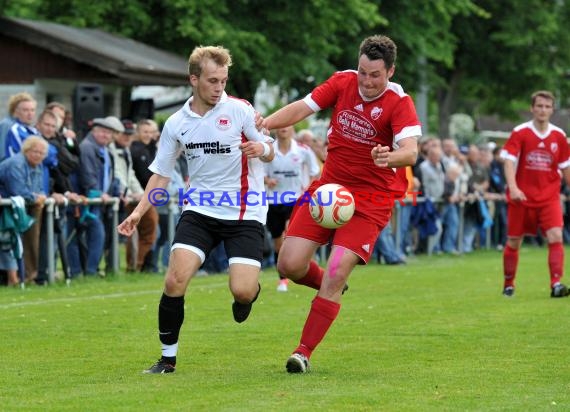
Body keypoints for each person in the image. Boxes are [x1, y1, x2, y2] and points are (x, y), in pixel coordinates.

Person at [260, 34, 421, 373]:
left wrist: (389, 156)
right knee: (288, 265)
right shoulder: (342, 82)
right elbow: (302, 108)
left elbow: (411, 151)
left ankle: (302, 352)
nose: (367, 81)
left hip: (369, 201)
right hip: (327, 191)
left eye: (375, 75)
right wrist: (263, 124)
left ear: (390, 71)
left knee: (335, 270)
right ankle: (329, 287)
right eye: (363, 71)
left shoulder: (399, 102)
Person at [117, 45, 274, 374]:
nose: (219, 88)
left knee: (242, 291)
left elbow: (269, 148)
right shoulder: (176, 123)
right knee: (174, 280)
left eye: (223, 81)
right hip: (200, 210)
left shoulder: (241, 110)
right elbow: (160, 174)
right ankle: (167, 359)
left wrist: (261, 147)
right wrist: (138, 212)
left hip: (244, 211)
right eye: (213, 81)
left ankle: (249, 294)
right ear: (194, 80)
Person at [500, 90, 570, 298]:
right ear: (532, 108)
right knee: (514, 241)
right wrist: (513, 188)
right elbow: (508, 161)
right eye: (539, 106)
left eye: (547, 107)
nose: (543, 110)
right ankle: (508, 284)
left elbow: (566, 168)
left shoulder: (559, 136)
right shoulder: (520, 132)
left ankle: (556, 284)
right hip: (521, 197)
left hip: (549, 197)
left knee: (556, 235)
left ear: (552, 110)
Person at [264, 125, 320, 292]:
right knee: (278, 243)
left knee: (290, 234)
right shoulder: (268, 149)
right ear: (275, 130)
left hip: (295, 200)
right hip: (273, 200)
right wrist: (267, 181)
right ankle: (282, 279)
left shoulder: (303, 150)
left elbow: (314, 171)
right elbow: (259, 171)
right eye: (282, 126)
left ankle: (304, 266)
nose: (284, 128)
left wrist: (308, 190)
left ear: (293, 129)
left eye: (288, 126)